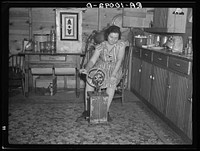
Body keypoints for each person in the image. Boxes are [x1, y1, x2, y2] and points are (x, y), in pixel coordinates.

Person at [78, 25, 126, 122]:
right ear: (107, 35)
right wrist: (86, 69)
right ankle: (88, 110)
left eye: (116, 38)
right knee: (90, 80)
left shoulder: (121, 45)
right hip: (101, 67)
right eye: (111, 37)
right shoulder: (101, 46)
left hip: (115, 68)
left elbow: (119, 60)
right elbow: (92, 60)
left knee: (111, 83)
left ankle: (105, 111)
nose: (113, 40)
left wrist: (113, 75)